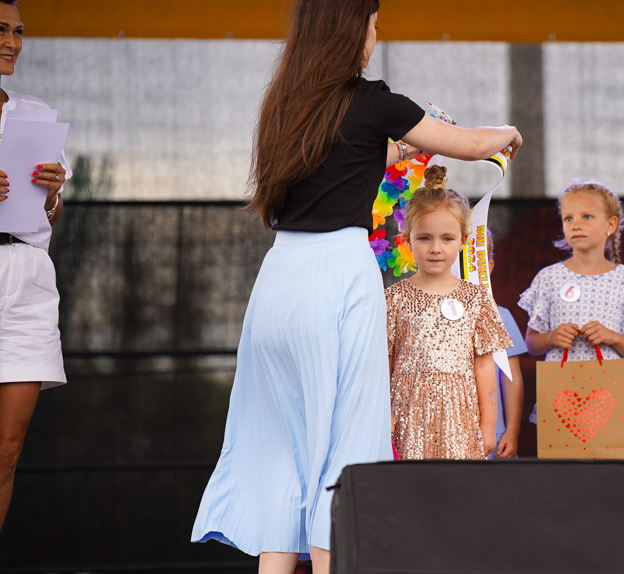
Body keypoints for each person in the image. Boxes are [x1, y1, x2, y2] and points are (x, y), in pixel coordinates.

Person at [191, 1, 523, 572]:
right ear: (353, 31)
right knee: (345, 444)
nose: (375, 37)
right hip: (338, 278)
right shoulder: (374, 100)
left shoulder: (285, 105)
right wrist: (506, 132)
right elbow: (470, 143)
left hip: (277, 282)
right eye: (373, 25)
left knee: (279, 447)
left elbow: (353, 158)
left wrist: (404, 149)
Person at [0, 0, 71, 532]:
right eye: (1, 29)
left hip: (27, 276)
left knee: (6, 449)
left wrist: (52, 193)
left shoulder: (32, 111)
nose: (13, 41)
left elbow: (49, 212)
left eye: (19, 31)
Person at [387, 165, 512, 460]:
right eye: (424, 238)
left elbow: (484, 366)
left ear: (462, 240)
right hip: (408, 417)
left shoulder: (476, 299)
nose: (435, 248)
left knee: (457, 494)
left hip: (462, 418)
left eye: (446, 238)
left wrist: (488, 424)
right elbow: (385, 363)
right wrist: (384, 416)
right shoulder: (392, 299)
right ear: (407, 239)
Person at [518, 178, 624, 430]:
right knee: (561, 466)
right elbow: (532, 344)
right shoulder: (548, 278)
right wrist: (551, 337)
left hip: (609, 395)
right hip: (561, 394)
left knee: (609, 467)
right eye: (568, 218)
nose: (576, 225)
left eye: (587, 217)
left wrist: (612, 337)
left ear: (610, 225)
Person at [485, 230, 525, 459]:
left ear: (487, 266)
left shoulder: (500, 317)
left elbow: (512, 377)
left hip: (494, 439)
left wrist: (512, 431)